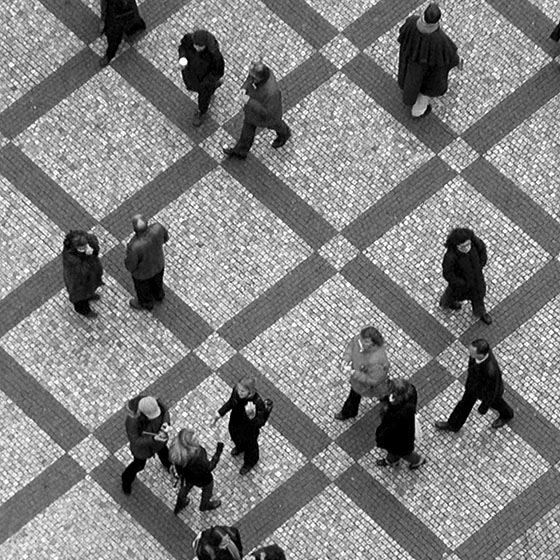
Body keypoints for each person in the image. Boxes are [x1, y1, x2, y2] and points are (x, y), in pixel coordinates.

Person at [435, 338, 514, 432]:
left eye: (472, 352)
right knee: (463, 405)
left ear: (481, 354)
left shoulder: (490, 371)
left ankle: (507, 414)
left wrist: (483, 407)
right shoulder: (477, 356)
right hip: (473, 388)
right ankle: (453, 425)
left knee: (497, 403)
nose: (469, 353)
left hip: (488, 391)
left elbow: (491, 391)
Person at [397, 2, 460, 118]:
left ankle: (408, 94)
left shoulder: (411, 23)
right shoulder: (440, 40)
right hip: (428, 74)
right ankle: (417, 112)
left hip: (411, 66)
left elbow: (403, 35)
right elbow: (450, 56)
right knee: (424, 95)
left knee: (410, 82)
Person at [223, 60, 291, 159]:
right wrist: (244, 88)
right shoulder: (260, 75)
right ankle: (240, 151)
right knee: (246, 133)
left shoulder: (271, 93)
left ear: (259, 78)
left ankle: (284, 134)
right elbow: (249, 78)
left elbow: (267, 113)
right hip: (252, 114)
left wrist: (248, 100)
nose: (251, 77)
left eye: (253, 77)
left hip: (268, 117)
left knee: (277, 125)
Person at [334, 327, 390, 421]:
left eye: (367, 342)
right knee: (354, 395)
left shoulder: (377, 359)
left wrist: (354, 373)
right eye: (363, 339)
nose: (362, 343)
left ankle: (390, 403)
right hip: (359, 382)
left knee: (382, 393)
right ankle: (349, 412)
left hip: (370, 382)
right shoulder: (360, 340)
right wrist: (346, 358)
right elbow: (352, 346)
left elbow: (374, 380)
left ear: (373, 342)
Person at [214, 377, 267, 475]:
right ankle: (239, 447)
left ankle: (250, 462)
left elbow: (260, 422)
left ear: (250, 392)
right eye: (238, 389)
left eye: (242, 391)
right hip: (235, 423)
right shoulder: (236, 391)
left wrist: (252, 417)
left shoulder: (257, 403)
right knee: (235, 437)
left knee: (251, 448)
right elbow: (231, 402)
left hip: (249, 430)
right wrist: (220, 413)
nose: (239, 392)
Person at [439, 227, 492, 324]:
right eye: (463, 247)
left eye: (468, 245)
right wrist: (460, 283)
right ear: (456, 246)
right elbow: (448, 273)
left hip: (477, 279)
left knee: (479, 297)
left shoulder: (475, 243)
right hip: (461, 284)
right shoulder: (450, 257)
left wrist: (481, 263)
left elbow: (482, 250)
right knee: (452, 295)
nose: (467, 248)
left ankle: (480, 313)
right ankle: (447, 303)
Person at [121, 395, 171, 494]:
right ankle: (126, 481)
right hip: (143, 449)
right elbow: (135, 440)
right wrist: (153, 439)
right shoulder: (132, 421)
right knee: (138, 465)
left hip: (158, 441)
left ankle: (169, 465)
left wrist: (166, 424)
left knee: (165, 454)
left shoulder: (154, 404)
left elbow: (165, 413)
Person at [169, 428, 223, 513]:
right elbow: (209, 467)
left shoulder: (175, 451)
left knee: (184, 489)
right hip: (201, 478)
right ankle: (204, 505)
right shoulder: (198, 456)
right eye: (194, 438)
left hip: (186, 476)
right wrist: (218, 452)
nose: (197, 438)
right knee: (208, 488)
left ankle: (180, 504)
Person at [375, 379, 426, 469]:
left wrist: (391, 405)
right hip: (400, 436)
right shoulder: (410, 393)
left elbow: (391, 423)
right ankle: (392, 461)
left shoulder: (400, 412)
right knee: (394, 451)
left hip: (400, 438)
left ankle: (417, 461)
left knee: (404, 453)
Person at [178, 29, 225, 127]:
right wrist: (182, 57)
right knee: (191, 86)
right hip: (190, 73)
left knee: (204, 96)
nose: (197, 48)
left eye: (200, 47)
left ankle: (201, 112)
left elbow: (218, 71)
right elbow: (182, 47)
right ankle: (215, 85)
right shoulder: (189, 39)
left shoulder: (214, 55)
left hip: (205, 80)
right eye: (195, 45)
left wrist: (207, 82)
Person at [124, 214, 169, 311]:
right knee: (157, 281)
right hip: (158, 264)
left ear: (135, 229)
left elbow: (131, 265)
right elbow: (165, 238)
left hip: (142, 274)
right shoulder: (158, 228)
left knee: (143, 290)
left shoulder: (134, 246)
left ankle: (146, 303)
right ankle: (159, 295)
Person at [62, 230, 104, 318]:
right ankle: (85, 311)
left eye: (85, 246)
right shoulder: (70, 258)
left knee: (90, 289)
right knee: (80, 300)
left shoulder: (89, 239)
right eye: (81, 248)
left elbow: (96, 250)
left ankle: (90, 295)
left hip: (90, 277)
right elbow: (82, 271)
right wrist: (89, 256)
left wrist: (92, 248)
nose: (84, 249)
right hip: (78, 284)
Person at [99, 0, 146, 67]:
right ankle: (110, 54)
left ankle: (137, 27)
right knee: (113, 36)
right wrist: (103, 19)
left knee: (133, 23)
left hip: (128, 10)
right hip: (115, 14)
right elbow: (104, 3)